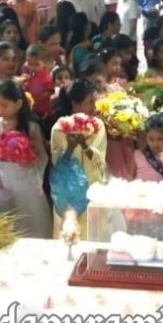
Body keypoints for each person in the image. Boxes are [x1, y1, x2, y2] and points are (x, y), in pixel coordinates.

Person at [0, 80, 51, 238]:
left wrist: (30, 164)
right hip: (1, 183)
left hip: (25, 184)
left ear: (18, 104)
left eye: (5, 105)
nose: (0, 109)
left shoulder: (31, 128)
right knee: (4, 229)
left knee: (29, 229)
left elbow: (42, 157)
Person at [51, 78, 106, 239]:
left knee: (92, 237)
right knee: (68, 235)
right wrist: (70, 147)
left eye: (95, 101)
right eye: (90, 102)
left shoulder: (98, 126)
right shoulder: (59, 128)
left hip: (92, 189)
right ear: (75, 103)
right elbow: (57, 165)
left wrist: (84, 145)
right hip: (66, 194)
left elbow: (100, 161)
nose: (94, 107)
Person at [131, 114, 163, 182]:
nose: (155, 144)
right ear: (146, 138)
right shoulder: (136, 155)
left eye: (160, 139)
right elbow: (130, 178)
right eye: (151, 139)